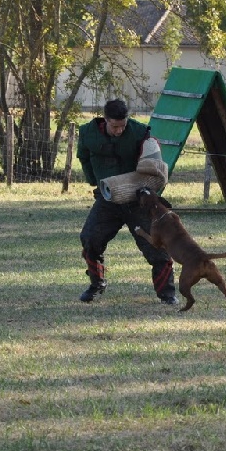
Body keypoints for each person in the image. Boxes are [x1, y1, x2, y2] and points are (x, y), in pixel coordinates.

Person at [77, 99, 179, 305]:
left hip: (138, 200)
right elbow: (84, 157)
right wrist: (94, 182)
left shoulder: (140, 132)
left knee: (157, 247)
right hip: (108, 199)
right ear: (105, 120)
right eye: (115, 126)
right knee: (90, 240)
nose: (119, 130)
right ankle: (96, 284)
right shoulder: (88, 133)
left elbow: (154, 162)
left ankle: (167, 294)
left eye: (123, 125)